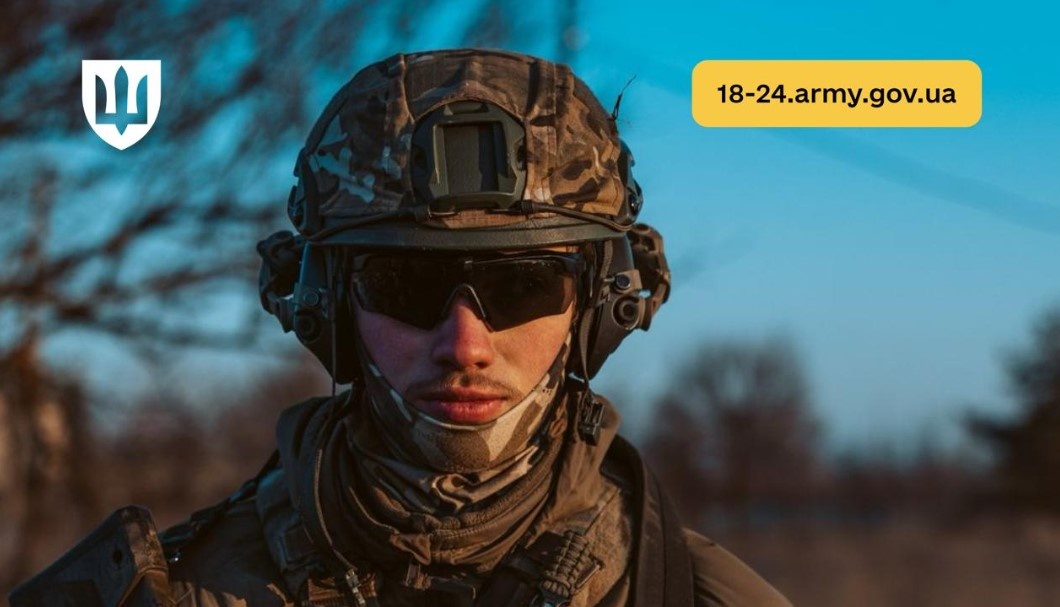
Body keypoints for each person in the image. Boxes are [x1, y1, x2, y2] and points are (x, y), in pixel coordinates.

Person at [10, 48, 791, 607]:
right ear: (324, 304)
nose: (463, 346)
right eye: (405, 286)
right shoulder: (165, 589)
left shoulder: (688, 591)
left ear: (599, 305)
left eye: (522, 286)